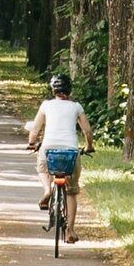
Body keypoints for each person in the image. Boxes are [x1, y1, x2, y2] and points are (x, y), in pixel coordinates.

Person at [25, 71, 89, 216]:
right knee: (71, 193)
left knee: (42, 168)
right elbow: (87, 131)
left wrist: (31, 143)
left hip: (48, 148)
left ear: (53, 90)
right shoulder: (76, 106)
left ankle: (47, 190)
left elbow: (35, 129)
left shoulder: (46, 105)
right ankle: (71, 231)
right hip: (71, 150)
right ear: (69, 89)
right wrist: (89, 146)